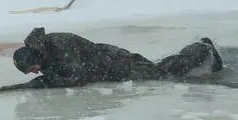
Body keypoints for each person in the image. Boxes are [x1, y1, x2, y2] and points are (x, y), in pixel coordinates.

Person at [12, 27, 223, 88]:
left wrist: (49, 81)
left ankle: (201, 48)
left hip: (115, 63)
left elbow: (78, 76)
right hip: (105, 68)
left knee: (163, 73)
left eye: (33, 69)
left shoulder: (60, 45)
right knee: (159, 68)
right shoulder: (45, 52)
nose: (36, 72)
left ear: (34, 58)